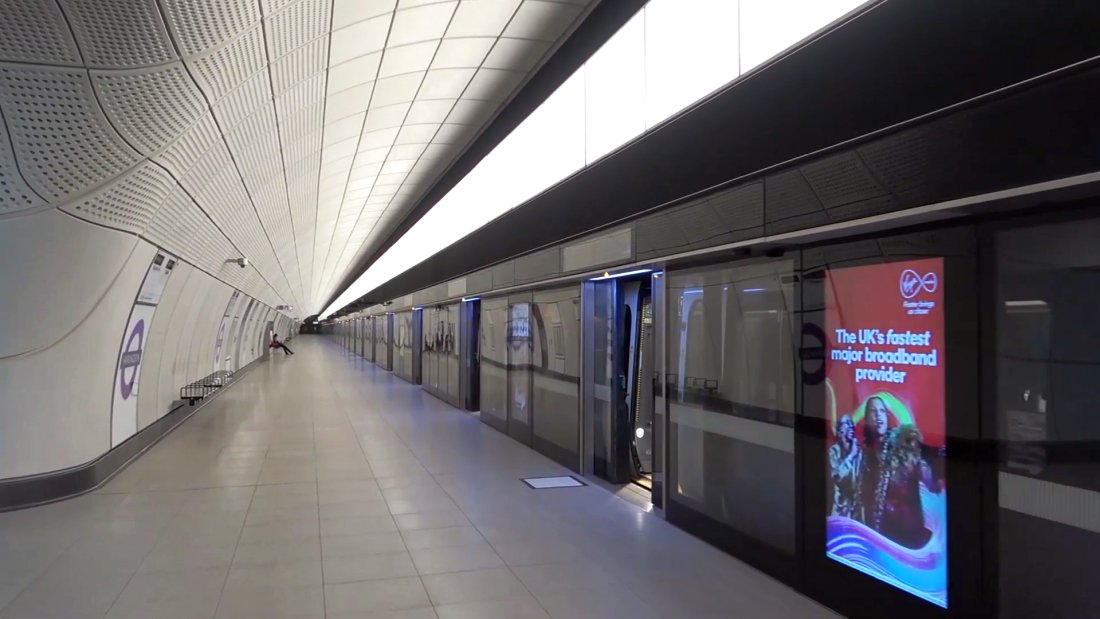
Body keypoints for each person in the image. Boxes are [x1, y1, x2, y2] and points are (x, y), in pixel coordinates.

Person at [858, 396, 942, 548]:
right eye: (873, 411)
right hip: (880, 542)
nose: (878, 415)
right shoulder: (865, 456)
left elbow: (931, 482)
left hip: (911, 543)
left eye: (882, 411)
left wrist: (938, 462)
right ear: (866, 419)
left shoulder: (903, 446)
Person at [829, 414, 862, 519]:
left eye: (852, 424)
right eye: (847, 424)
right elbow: (837, 477)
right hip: (840, 511)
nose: (851, 426)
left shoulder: (859, 451)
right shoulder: (833, 451)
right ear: (839, 431)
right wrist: (851, 456)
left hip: (856, 511)